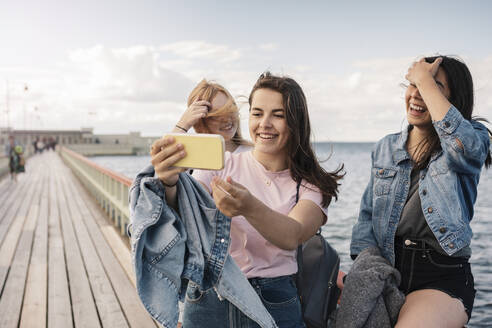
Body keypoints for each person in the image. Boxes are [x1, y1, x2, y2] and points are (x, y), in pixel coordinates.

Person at [150, 72, 343, 327]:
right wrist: (167, 182)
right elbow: (184, 213)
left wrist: (249, 207)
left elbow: (293, 234)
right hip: (209, 295)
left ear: (296, 122)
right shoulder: (220, 164)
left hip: (274, 299)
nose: (264, 123)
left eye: (278, 114)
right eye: (257, 113)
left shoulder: (310, 184)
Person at [350, 55, 491, 327]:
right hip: (388, 268)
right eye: (413, 84)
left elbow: (463, 147)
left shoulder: (473, 138)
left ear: (453, 98)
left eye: (434, 86)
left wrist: (425, 79)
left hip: (440, 274)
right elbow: (367, 218)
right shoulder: (385, 147)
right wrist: (365, 267)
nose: (417, 93)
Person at [173, 79, 251, 154]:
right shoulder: (191, 157)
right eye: (217, 114)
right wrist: (182, 125)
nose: (227, 119)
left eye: (230, 109)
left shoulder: (253, 155)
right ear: (199, 120)